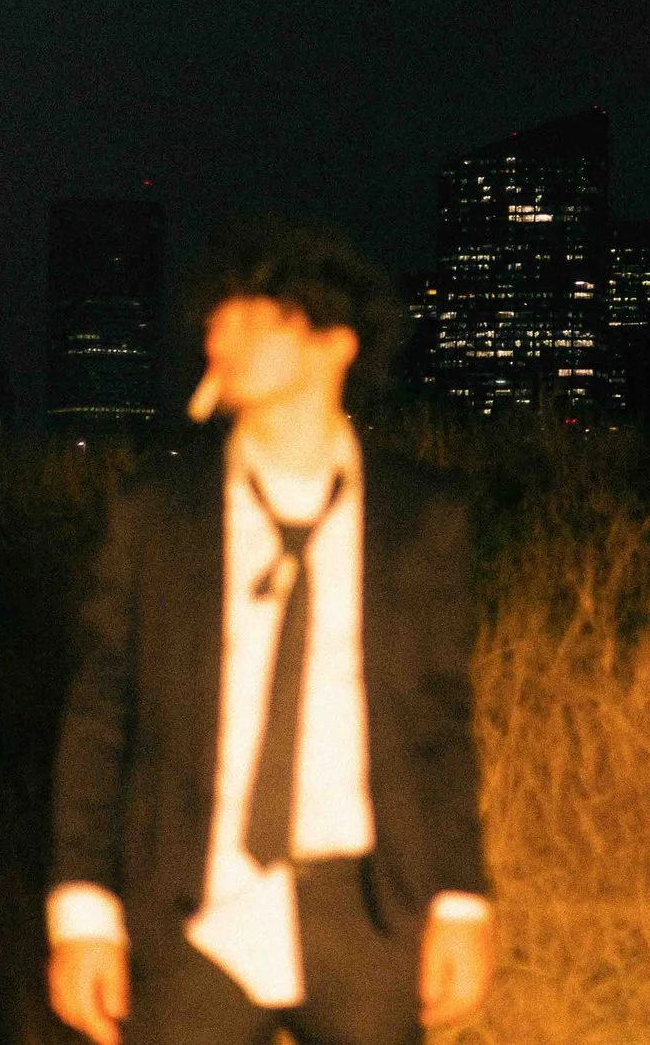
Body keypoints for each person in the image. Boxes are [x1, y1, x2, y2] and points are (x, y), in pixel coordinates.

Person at [47, 216, 494, 1045]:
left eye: (261, 317)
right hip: (191, 908)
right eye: (220, 316)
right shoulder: (156, 510)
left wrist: (462, 899)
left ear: (336, 344)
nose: (226, 335)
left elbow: (439, 723)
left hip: (367, 909)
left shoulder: (421, 515)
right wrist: (83, 908)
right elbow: (100, 715)